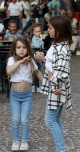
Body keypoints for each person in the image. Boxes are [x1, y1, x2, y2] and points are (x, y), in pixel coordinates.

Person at [40, 15, 72, 152]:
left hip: (57, 87)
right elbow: (53, 65)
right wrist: (43, 59)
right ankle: (61, 148)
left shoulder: (61, 48)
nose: (48, 30)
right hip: (56, 86)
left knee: (50, 120)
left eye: (51, 28)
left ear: (58, 30)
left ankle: (61, 149)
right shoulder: (57, 45)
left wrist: (55, 86)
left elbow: (61, 70)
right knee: (55, 119)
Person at [6, 37, 43, 151]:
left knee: (24, 119)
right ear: (14, 49)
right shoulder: (12, 60)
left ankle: (25, 140)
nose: (21, 50)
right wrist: (20, 62)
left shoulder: (31, 61)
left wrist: (46, 84)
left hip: (27, 96)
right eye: (18, 47)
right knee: (16, 118)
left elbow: (37, 73)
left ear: (27, 49)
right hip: (15, 96)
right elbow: (9, 71)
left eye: (24, 47)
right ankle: (16, 140)